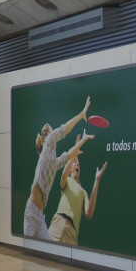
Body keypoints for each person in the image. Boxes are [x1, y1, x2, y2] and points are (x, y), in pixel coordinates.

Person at [23, 96, 93, 239]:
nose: (53, 131)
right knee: (27, 253)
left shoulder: (52, 161)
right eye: (51, 130)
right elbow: (65, 129)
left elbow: (67, 157)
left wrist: (83, 141)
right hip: (31, 214)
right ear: (47, 136)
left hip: (40, 217)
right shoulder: (48, 143)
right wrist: (81, 114)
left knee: (48, 252)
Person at [48, 154, 107, 245]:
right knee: (46, 253)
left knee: (68, 258)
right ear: (70, 168)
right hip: (58, 223)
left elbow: (89, 213)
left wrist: (97, 180)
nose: (77, 165)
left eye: (78, 164)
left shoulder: (83, 192)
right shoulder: (67, 180)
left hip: (72, 231)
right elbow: (64, 175)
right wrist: (72, 157)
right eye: (75, 163)